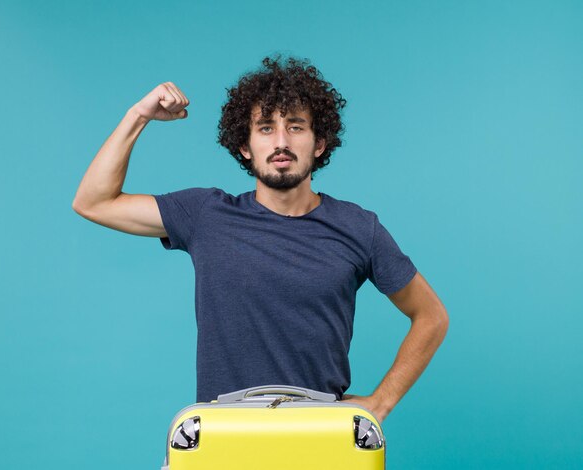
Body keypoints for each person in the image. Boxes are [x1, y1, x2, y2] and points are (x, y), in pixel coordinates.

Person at [72, 56, 448, 423]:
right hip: (224, 436)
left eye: (297, 127)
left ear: (319, 144)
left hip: (319, 436)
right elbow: (94, 202)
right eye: (266, 128)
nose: (281, 142)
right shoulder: (206, 215)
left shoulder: (358, 227)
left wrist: (381, 402)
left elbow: (431, 316)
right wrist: (139, 116)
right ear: (245, 147)